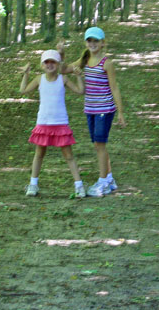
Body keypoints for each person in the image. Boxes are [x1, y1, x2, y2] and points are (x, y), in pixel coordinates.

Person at [61, 27, 126, 197]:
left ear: (103, 43)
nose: (92, 44)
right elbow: (63, 69)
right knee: (98, 144)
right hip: (90, 109)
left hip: (105, 109)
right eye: (89, 40)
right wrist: (61, 55)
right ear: (85, 43)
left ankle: (103, 182)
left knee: (100, 144)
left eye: (96, 41)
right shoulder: (84, 60)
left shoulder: (107, 63)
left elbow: (114, 88)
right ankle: (109, 178)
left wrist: (120, 112)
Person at [20, 49, 85, 198]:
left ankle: (79, 186)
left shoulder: (63, 79)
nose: (50, 65)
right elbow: (23, 90)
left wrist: (78, 76)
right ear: (42, 65)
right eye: (46, 62)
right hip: (43, 122)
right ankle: (33, 184)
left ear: (58, 64)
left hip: (60, 122)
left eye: (53, 62)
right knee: (39, 154)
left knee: (68, 155)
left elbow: (80, 91)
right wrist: (26, 73)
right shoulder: (39, 79)